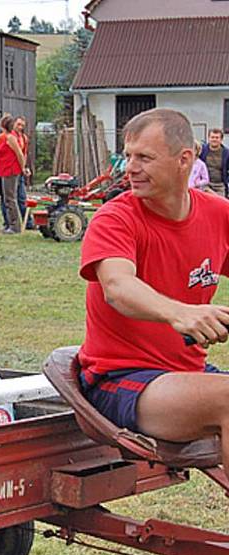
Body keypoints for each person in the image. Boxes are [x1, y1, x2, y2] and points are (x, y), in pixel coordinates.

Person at [77, 107, 229, 481]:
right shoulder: (115, 218)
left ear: (184, 160)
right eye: (127, 155)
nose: (130, 167)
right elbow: (118, 287)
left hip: (184, 372)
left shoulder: (217, 214)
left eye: (144, 157)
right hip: (120, 379)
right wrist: (181, 313)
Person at [0, 114, 25, 234]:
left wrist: (22, 168)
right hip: (4, 170)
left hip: (10, 171)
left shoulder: (11, 138)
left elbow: (19, 154)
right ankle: (10, 224)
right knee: (7, 198)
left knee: (10, 199)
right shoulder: (5, 137)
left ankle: (14, 225)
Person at [13, 116, 34, 229]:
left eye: (22, 125)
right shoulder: (11, 137)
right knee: (10, 198)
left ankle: (28, 222)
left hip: (20, 170)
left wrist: (25, 167)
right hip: (12, 170)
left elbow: (24, 154)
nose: (20, 127)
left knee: (22, 197)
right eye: (18, 124)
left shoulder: (24, 138)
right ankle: (11, 223)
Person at [199, 129, 229, 197]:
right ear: (208, 138)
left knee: (221, 204)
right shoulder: (202, 150)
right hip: (205, 184)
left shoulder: (226, 153)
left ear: (221, 139)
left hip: (220, 185)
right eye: (212, 137)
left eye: (217, 137)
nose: (214, 139)